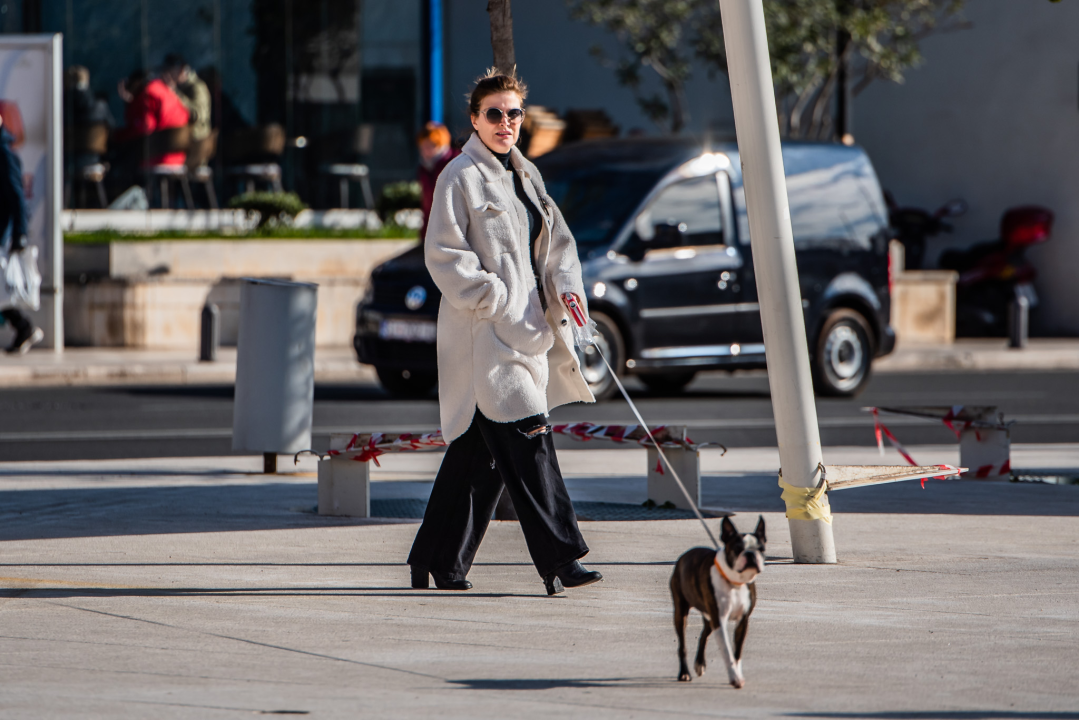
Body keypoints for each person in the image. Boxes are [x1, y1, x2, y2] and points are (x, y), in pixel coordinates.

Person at [407, 69, 601, 596]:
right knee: (531, 438)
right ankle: (562, 558)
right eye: (494, 113)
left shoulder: (528, 176)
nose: (505, 122)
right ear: (474, 119)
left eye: (514, 113)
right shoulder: (458, 177)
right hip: (486, 340)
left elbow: (559, 246)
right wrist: (493, 297)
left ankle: (435, 559)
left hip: (530, 333)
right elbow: (443, 255)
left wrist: (569, 292)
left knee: (479, 457)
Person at [0, 112, 43, 354]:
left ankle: (24, 326)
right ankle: (23, 327)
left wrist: (19, 235)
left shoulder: (5, 154)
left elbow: (17, 198)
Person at [113, 69, 190, 167]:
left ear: (137, 82)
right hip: (178, 157)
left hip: (159, 157)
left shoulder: (147, 95)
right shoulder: (164, 90)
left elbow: (144, 129)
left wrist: (116, 136)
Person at [416, 122, 460, 240]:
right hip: (433, 230)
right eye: (423, 146)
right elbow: (427, 205)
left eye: (432, 145)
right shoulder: (425, 167)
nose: (427, 150)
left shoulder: (455, 163)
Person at [161, 54, 212, 143]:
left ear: (182, 70)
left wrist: (174, 92)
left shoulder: (197, 87)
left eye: (171, 71)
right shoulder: (180, 87)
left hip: (196, 143)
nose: (168, 76)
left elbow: (199, 115)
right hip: (182, 141)